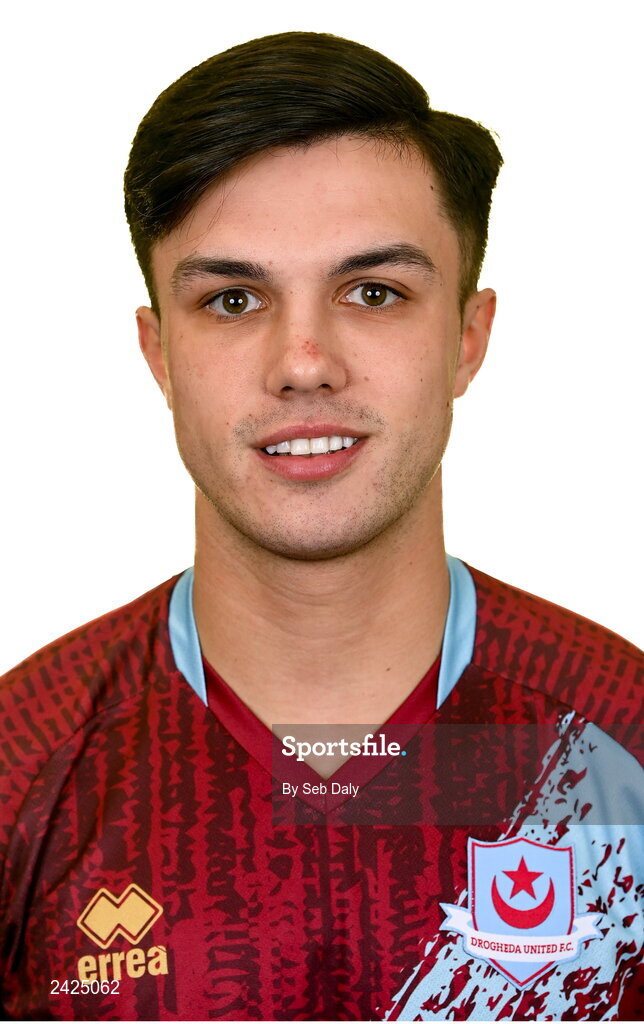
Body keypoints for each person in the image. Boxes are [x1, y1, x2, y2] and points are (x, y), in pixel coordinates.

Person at [0, 30, 641, 1023]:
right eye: (232, 299)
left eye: (372, 292)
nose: (303, 361)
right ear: (158, 350)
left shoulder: (619, 742)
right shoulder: (22, 763)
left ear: (466, 338)